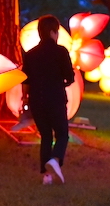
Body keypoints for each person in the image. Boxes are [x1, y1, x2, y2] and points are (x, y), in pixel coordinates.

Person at [21, 15, 75, 185]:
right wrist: (64, 81)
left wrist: (25, 100)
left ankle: (47, 176)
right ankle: (56, 158)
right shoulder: (61, 52)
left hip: (37, 100)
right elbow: (70, 77)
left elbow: (26, 80)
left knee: (45, 135)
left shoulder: (30, 54)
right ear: (53, 32)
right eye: (57, 32)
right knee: (62, 134)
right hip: (56, 100)